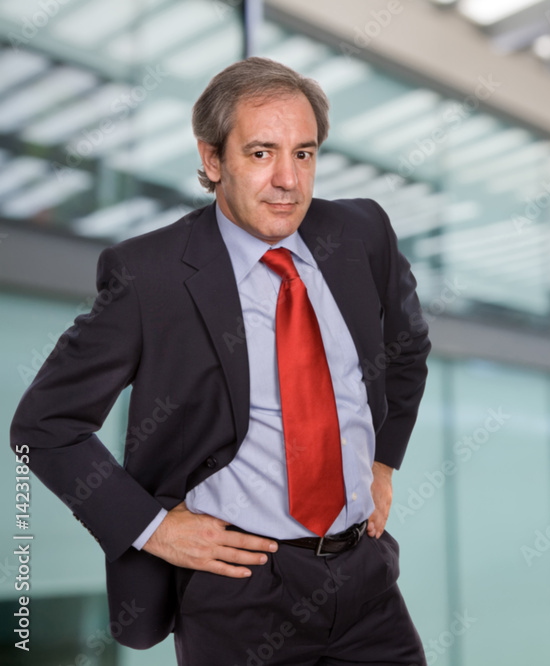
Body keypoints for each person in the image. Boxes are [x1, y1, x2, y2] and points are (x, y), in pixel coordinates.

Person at [10, 57, 431, 665]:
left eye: (304, 154)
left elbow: (407, 346)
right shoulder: (151, 276)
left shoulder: (361, 233)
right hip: (239, 596)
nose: (288, 180)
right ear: (212, 160)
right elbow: (45, 427)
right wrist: (153, 528)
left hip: (366, 580)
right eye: (261, 153)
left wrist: (384, 460)